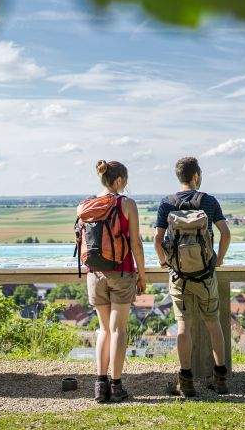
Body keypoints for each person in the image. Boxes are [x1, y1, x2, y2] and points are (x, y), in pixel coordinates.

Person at [153, 157, 231, 396]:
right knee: (213, 324)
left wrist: (165, 261)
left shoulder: (167, 203)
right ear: (196, 175)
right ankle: (220, 379)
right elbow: (225, 234)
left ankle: (186, 381)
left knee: (183, 326)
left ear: (179, 177)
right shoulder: (208, 201)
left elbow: (157, 240)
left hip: (179, 277)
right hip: (205, 276)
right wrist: (216, 261)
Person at [80, 160, 146, 403]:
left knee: (103, 330)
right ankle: (116, 386)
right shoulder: (126, 204)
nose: (126, 185)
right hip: (122, 272)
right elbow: (136, 244)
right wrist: (142, 274)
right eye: (125, 181)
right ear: (118, 181)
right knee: (119, 329)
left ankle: (100, 385)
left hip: (95, 274)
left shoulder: (87, 204)